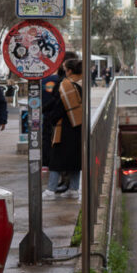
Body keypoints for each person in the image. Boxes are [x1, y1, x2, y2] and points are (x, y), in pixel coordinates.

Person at [42, 51, 77, 198]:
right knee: (72, 159)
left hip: (61, 126)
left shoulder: (64, 84)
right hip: (72, 126)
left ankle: (54, 188)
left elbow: (57, 104)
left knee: (57, 158)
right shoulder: (72, 83)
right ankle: (70, 186)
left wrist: (48, 116)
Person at [48, 58, 84, 200]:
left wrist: (50, 118)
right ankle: (74, 189)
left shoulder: (66, 85)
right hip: (79, 126)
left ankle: (50, 190)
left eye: (64, 68)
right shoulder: (82, 83)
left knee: (55, 161)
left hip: (64, 129)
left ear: (69, 70)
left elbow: (59, 107)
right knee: (75, 161)